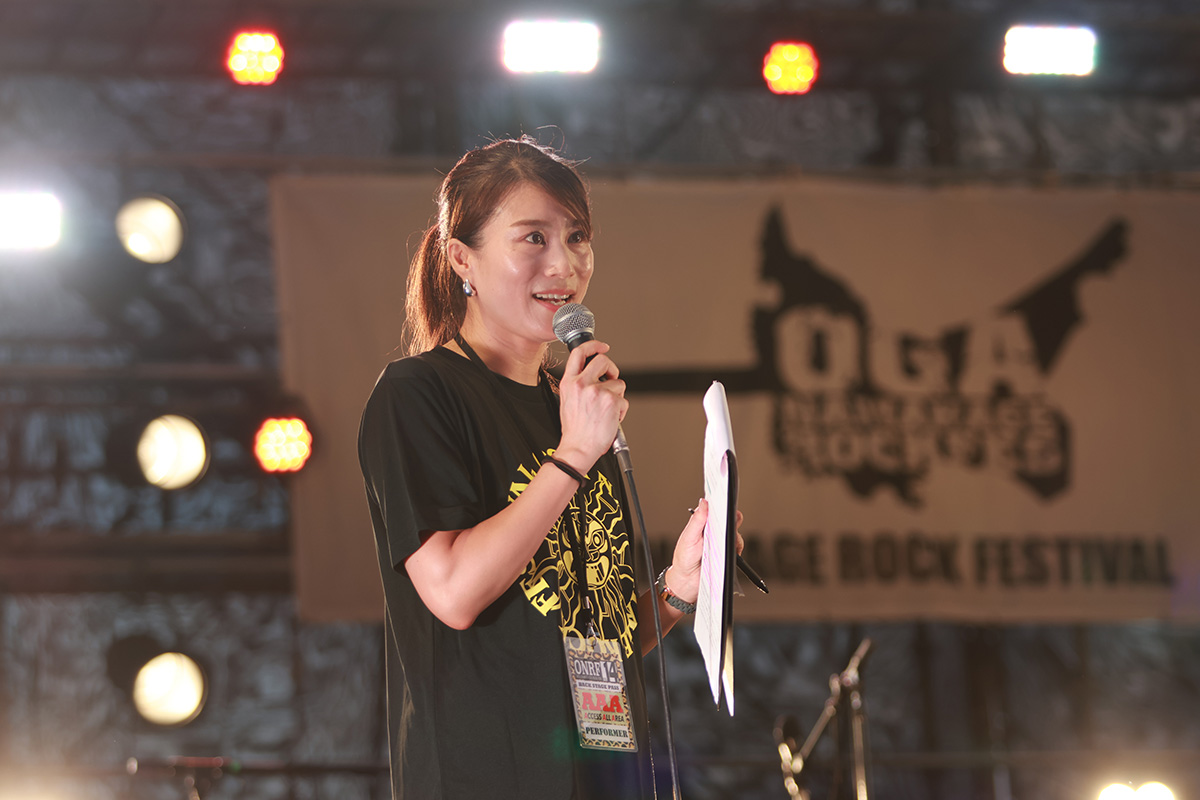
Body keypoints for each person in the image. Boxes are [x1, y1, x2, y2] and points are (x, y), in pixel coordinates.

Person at [358, 137, 726, 800]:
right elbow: (454, 592)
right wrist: (575, 454)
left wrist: (678, 588)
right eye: (533, 237)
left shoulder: (571, 407)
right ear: (462, 258)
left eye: (577, 237)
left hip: (605, 773)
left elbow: (590, 636)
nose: (564, 263)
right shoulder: (419, 394)